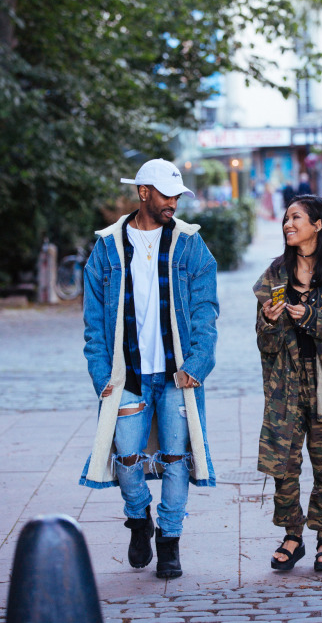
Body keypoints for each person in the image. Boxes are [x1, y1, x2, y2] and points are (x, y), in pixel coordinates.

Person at [80, 158, 218, 579]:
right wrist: (102, 376)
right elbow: (93, 324)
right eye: (165, 194)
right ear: (143, 193)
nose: (173, 202)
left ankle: (170, 540)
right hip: (128, 375)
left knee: (176, 458)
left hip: (178, 374)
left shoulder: (190, 244)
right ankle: (139, 521)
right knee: (125, 458)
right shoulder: (106, 247)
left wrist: (197, 364)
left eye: (177, 195)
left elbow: (205, 311)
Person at [253, 195, 322, 573]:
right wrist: (269, 320)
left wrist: (310, 316)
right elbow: (264, 343)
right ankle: (292, 536)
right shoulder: (274, 276)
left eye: (295, 217)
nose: (287, 224)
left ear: (317, 224)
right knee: (283, 466)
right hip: (284, 387)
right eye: (285, 218)